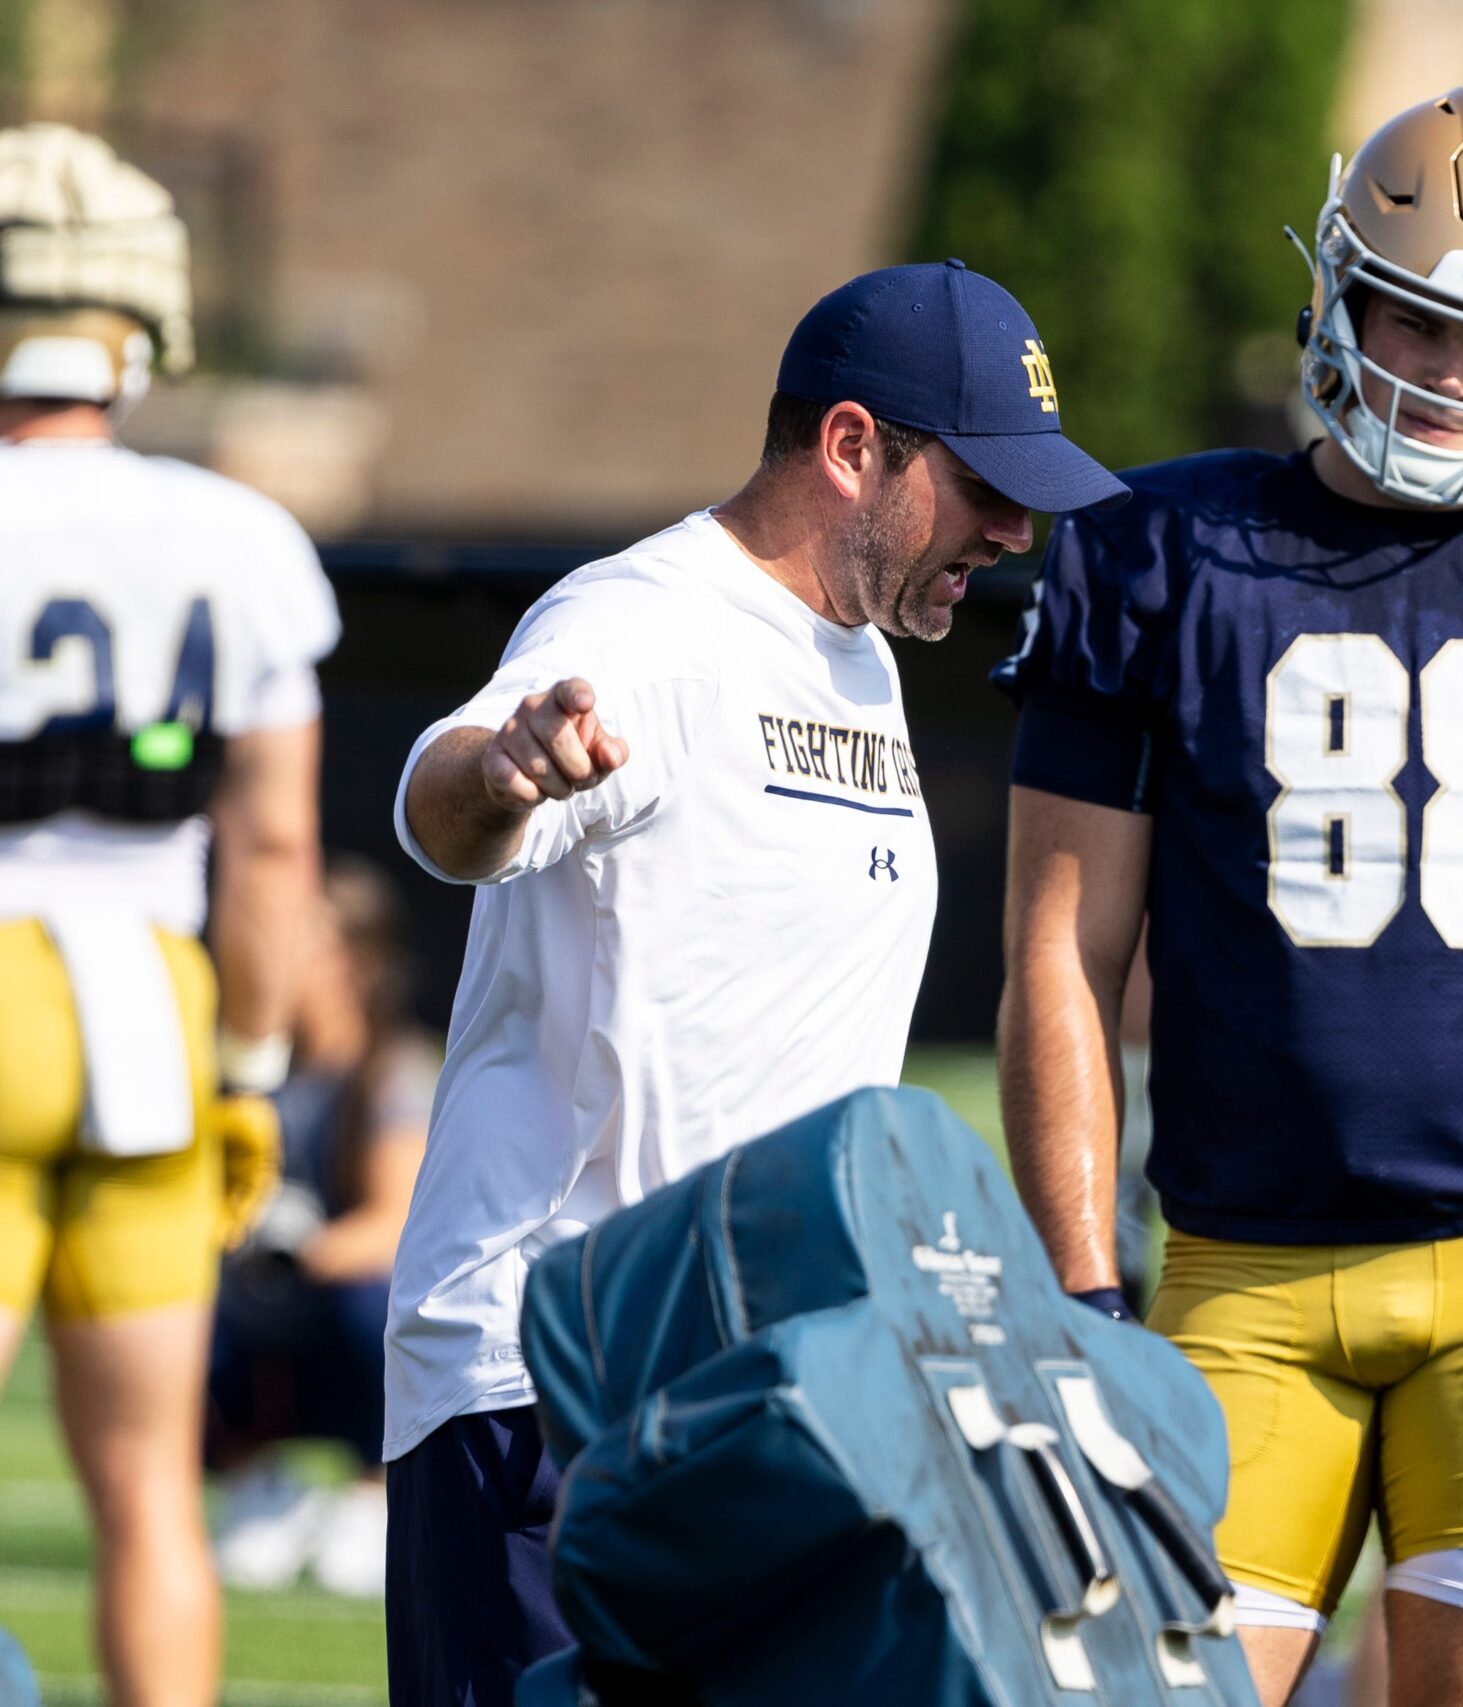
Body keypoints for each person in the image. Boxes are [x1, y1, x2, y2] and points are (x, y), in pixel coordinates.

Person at [996, 87, 1463, 1707]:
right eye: (1413, 325)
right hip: (1237, 1261)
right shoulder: (1154, 548)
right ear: (1336, 291)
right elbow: (1062, 956)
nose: (1449, 381)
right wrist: (1079, 1292)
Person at [384, 260, 1124, 1706]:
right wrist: (510, 767)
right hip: (557, 1384)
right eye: (983, 485)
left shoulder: (858, 655)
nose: (1016, 530)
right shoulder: (642, 621)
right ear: (852, 447)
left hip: (763, 1395)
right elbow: (442, 798)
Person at [0, 124, 337, 1706]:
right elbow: (273, 845)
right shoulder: (238, 536)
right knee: (150, 1493)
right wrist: (254, 1071)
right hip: (152, 1007)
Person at [208, 858, 434, 1597]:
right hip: (266, 1333)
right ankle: (265, 1487)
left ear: (351, 962)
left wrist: (296, 1251)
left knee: (373, 1300)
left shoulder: (394, 1070)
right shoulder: (247, 1071)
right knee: (168, 1307)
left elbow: (396, 1227)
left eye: (298, 939)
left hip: (347, 1331)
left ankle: (376, 1495)